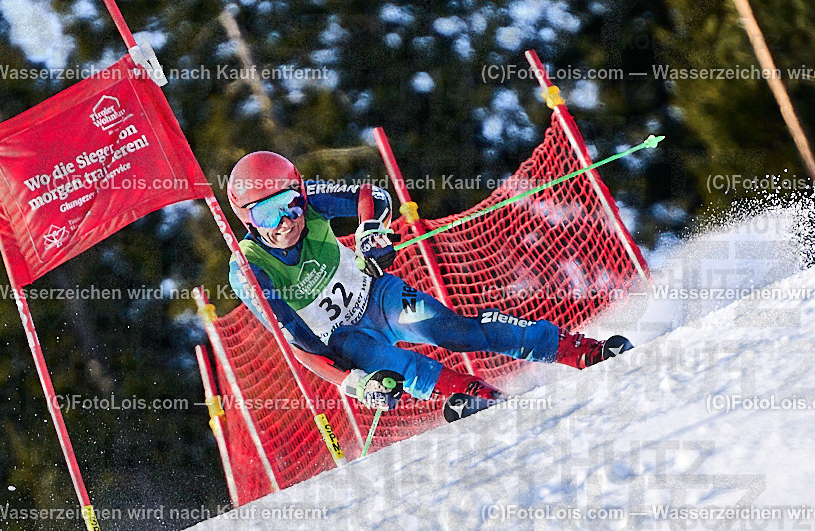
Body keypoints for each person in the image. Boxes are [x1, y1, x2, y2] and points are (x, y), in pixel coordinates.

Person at [226, 151, 632, 421]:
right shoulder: (249, 271)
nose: (284, 222)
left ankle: (582, 350)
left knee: (455, 331)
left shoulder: (312, 199)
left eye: (289, 205)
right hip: (342, 338)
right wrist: (355, 383)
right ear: (247, 221)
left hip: (377, 297)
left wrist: (369, 233)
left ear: (300, 193)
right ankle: (482, 399)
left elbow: (372, 195)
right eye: (266, 215)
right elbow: (297, 344)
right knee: (398, 368)